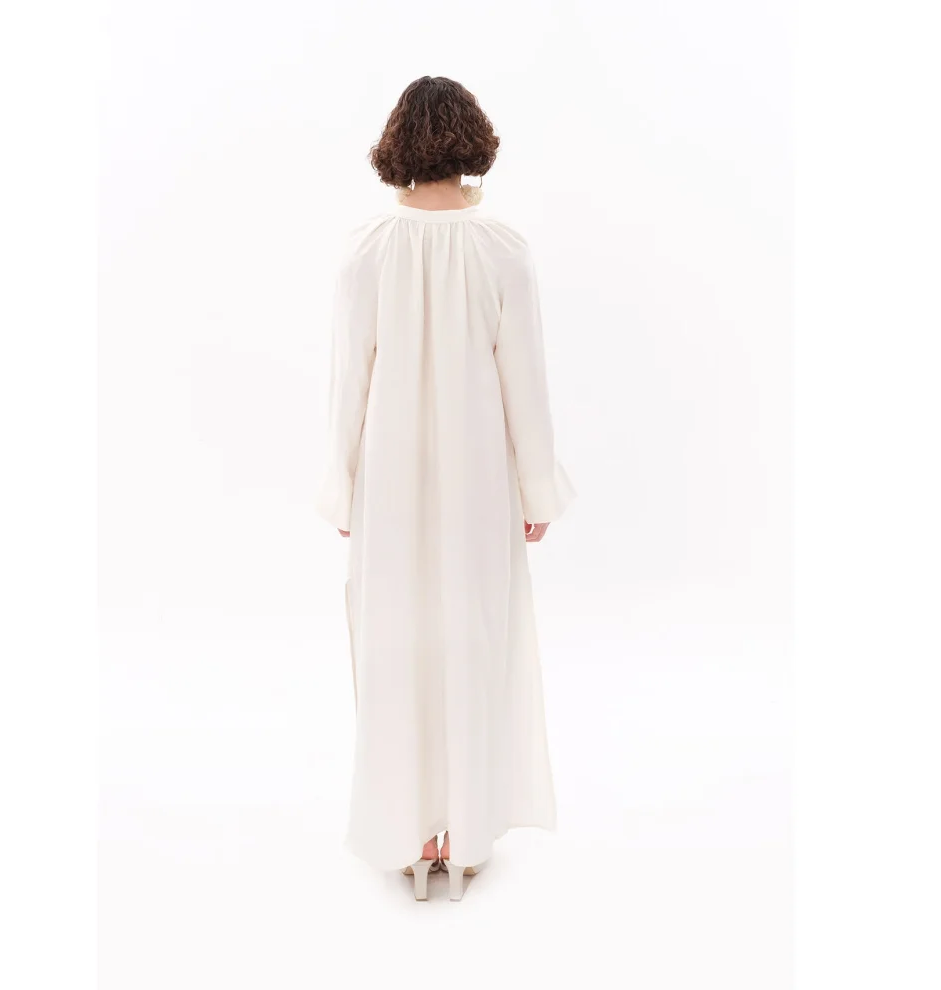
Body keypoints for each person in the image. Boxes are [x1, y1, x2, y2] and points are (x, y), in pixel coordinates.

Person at [316, 76, 574, 901]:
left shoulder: (367, 250)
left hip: (390, 479)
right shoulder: (502, 250)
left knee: (396, 639)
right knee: (472, 634)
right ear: (473, 142)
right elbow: (526, 382)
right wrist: (537, 489)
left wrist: (341, 486)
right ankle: (462, 832)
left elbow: (348, 382)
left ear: (396, 143)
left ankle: (408, 828)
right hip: (477, 481)